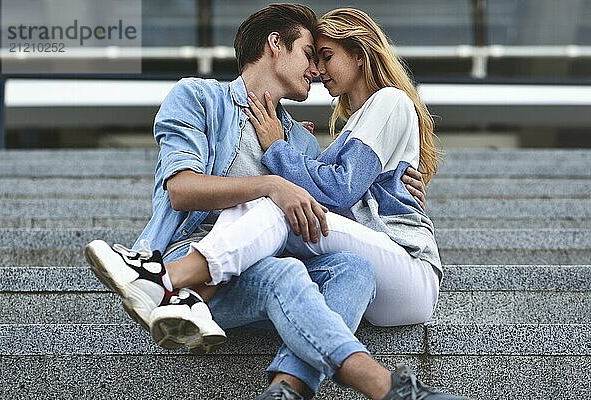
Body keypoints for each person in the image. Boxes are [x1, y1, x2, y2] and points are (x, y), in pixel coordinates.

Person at [85, 4, 468, 400]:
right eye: (308, 54)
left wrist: (392, 188)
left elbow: (326, 208)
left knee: (354, 267)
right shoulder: (198, 97)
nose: (316, 71)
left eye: (324, 57)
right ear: (274, 45)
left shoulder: (299, 141)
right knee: (281, 247)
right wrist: (270, 184)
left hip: (269, 269)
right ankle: (376, 386)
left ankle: (175, 291)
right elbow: (181, 190)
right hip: (197, 249)